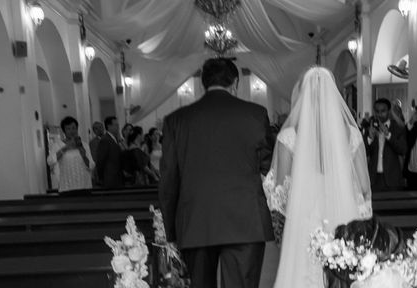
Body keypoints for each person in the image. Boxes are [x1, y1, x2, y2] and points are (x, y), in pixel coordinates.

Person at [159, 58, 273, 288]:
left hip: (195, 221)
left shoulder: (176, 120)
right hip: (245, 219)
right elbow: (268, 166)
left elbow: (168, 180)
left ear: (203, 84)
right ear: (236, 82)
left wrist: (171, 231)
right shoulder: (255, 114)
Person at [264, 66, 372, 288]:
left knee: (304, 274)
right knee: (343, 274)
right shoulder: (352, 134)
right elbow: (363, 187)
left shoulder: (288, 137)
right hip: (344, 218)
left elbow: (280, 193)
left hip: (305, 221)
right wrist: (359, 215)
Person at [365, 98, 407, 191]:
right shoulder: (370, 127)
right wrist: (370, 138)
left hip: (393, 179)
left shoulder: (398, 128)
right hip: (374, 179)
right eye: (377, 111)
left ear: (389, 111)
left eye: (383, 111)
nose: (379, 114)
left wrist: (388, 135)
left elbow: (402, 149)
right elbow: (364, 153)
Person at [47, 116, 93, 192]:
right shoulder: (57, 145)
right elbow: (50, 161)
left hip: (85, 185)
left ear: (77, 129)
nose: (72, 131)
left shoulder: (84, 145)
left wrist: (84, 155)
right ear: (64, 131)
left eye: (73, 128)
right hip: (67, 187)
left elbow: (91, 166)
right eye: (68, 129)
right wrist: (65, 148)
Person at [96, 115, 123, 189]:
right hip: (109, 177)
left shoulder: (115, 139)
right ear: (109, 126)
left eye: (118, 125)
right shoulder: (105, 140)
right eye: (116, 125)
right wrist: (101, 177)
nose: (118, 127)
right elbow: (101, 160)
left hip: (117, 176)